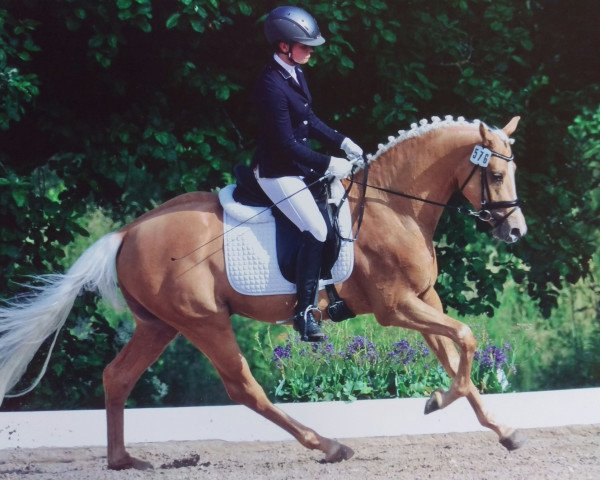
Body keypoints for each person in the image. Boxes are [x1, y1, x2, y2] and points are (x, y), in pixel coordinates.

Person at [252, 6, 364, 342]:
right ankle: (303, 313)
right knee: (315, 228)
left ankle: (334, 294)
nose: (310, 50)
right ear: (284, 46)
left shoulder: (295, 73)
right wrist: (330, 164)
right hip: (276, 172)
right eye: (304, 45)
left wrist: (343, 141)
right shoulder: (270, 84)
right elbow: (286, 144)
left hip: (297, 167)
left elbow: (309, 120)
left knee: (334, 213)